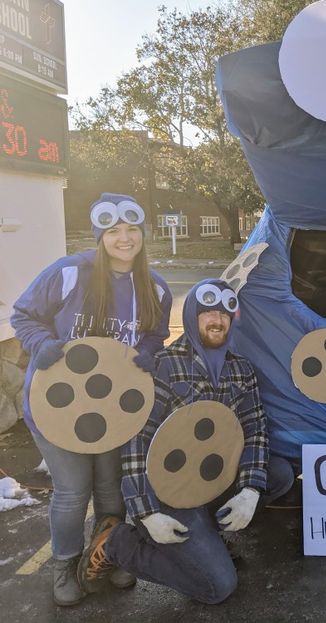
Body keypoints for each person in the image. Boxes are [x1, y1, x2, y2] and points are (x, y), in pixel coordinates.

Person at [76, 278, 295, 604]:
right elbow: (136, 440)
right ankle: (117, 542)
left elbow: (255, 429)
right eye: (207, 312)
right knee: (217, 587)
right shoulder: (164, 365)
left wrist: (250, 489)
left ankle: (207, 537)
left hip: (212, 482)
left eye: (224, 313)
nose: (216, 320)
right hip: (170, 494)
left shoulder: (241, 370)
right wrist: (147, 512)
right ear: (192, 314)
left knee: (278, 474)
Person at [11, 193, 172, 605]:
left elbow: (155, 334)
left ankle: (109, 552)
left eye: (132, 230)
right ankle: (65, 564)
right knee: (71, 491)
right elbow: (24, 314)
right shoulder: (68, 273)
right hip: (58, 405)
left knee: (111, 490)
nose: (124, 238)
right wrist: (41, 343)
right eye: (114, 231)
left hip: (114, 407)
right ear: (100, 235)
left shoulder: (153, 286)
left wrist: (150, 354)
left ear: (142, 234)